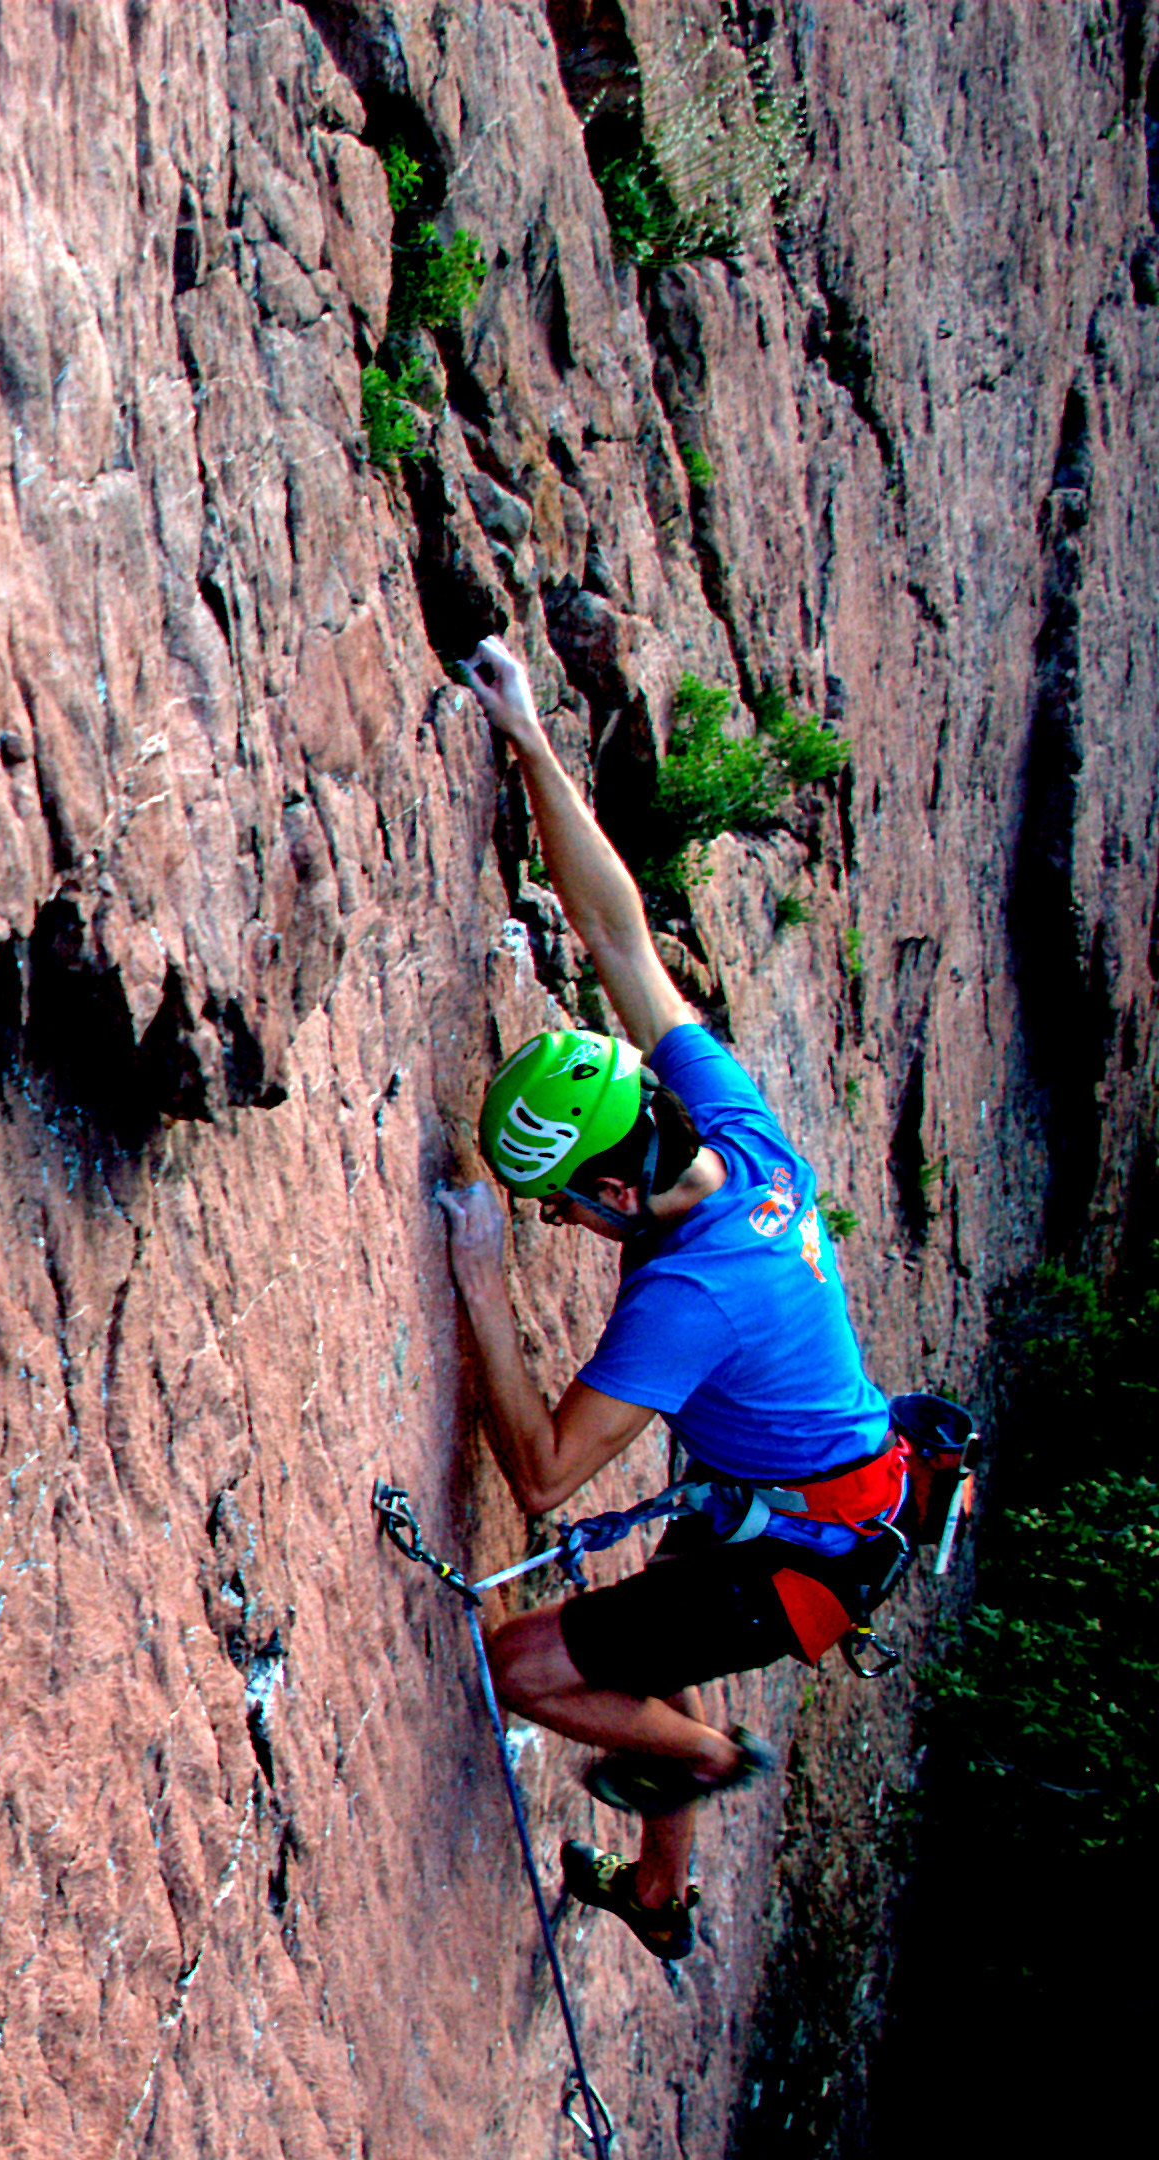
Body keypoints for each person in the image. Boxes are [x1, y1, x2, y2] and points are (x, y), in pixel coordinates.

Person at [436, 635, 904, 1962]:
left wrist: (478, 1279)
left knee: (535, 1664)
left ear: (608, 1197)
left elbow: (541, 1476)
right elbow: (618, 932)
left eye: (556, 1210)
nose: (558, 1230)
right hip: (803, 1491)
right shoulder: (732, 1131)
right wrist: (526, 734)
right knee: (657, 1614)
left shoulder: (690, 1300)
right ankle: (656, 1893)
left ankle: (701, 1758)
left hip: (802, 1551)